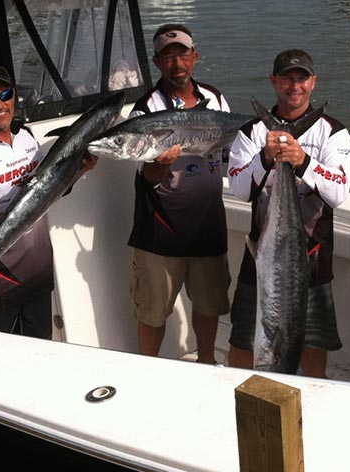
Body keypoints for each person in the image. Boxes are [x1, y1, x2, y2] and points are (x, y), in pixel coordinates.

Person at [0, 62, 96, 338]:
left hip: (38, 282)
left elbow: (45, 194)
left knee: (40, 362)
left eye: (5, 95)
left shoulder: (27, 137)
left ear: (14, 96)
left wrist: (78, 171)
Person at [226, 49, 350, 377]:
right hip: (262, 259)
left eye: (302, 78)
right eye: (287, 78)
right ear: (274, 81)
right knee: (241, 340)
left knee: (314, 346)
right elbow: (239, 189)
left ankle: (307, 406)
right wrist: (265, 159)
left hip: (312, 258)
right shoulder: (251, 132)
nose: (295, 86)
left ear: (313, 82)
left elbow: (338, 193)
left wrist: (304, 162)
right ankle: (238, 399)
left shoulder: (333, 133)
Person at [128, 24, 232, 363]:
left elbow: (232, 150)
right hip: (160, 232)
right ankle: (148, 370)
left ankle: (206, 362)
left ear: (195, 57)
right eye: (168, 56)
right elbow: (145, 176)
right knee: (153, 313)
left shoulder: (215, 98)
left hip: (208, 225)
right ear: (157, 61)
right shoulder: (145, 109)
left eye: (183, 54)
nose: (177, 63)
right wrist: (160, 164)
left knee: (208, 306)